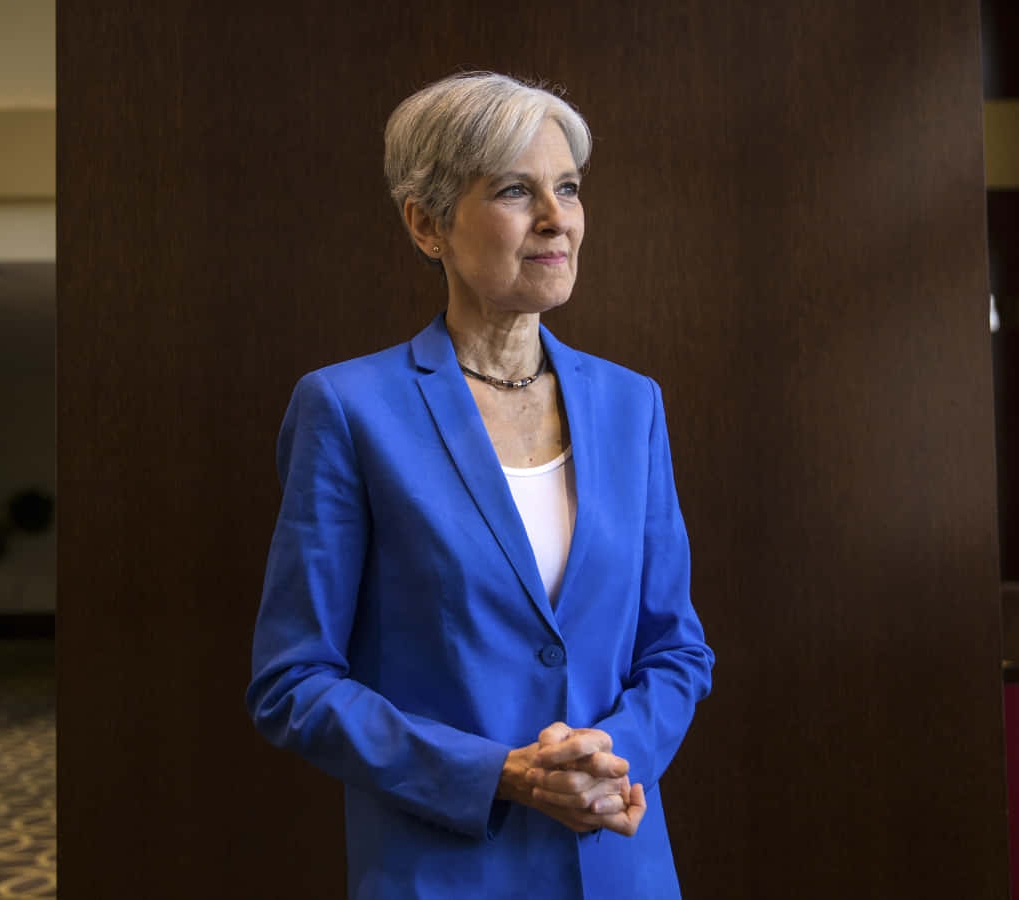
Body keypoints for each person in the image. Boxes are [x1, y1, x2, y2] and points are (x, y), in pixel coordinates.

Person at [245, 71, 714, 900]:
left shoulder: (632, 405)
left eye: (569, 187)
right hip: (442, 874)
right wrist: (502, 774)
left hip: (619, 866)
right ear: (426, 225)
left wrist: (611, 759)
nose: (557, 217)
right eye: (514, 190)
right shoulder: (348, 409)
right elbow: (294, 684)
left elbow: (676, 648)